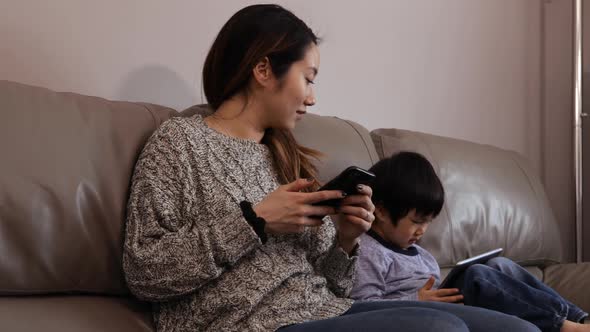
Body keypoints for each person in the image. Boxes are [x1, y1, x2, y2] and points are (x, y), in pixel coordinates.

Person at [122, 4, 540, 332]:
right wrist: (255, 220)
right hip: (247, 324)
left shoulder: (287, 158)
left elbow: (335, 286)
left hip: (326, 310)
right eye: (309, 78)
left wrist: (345, 239)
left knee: (518, 328)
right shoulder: (179, 143)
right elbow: (144, 272)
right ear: (264, 69)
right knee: (438, 327)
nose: (313, 98)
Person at [351, 151, 589, 332]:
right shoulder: (367, 250)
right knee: (476, 275)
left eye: (428, 222)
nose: (422, 230)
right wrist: (415, 299)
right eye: (416, 221)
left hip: (453, 306)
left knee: (500, 265)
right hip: (419, 313)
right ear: (380, 211)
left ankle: (580, 319)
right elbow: (362, 306)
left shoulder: (420, 254)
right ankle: (564, 326)